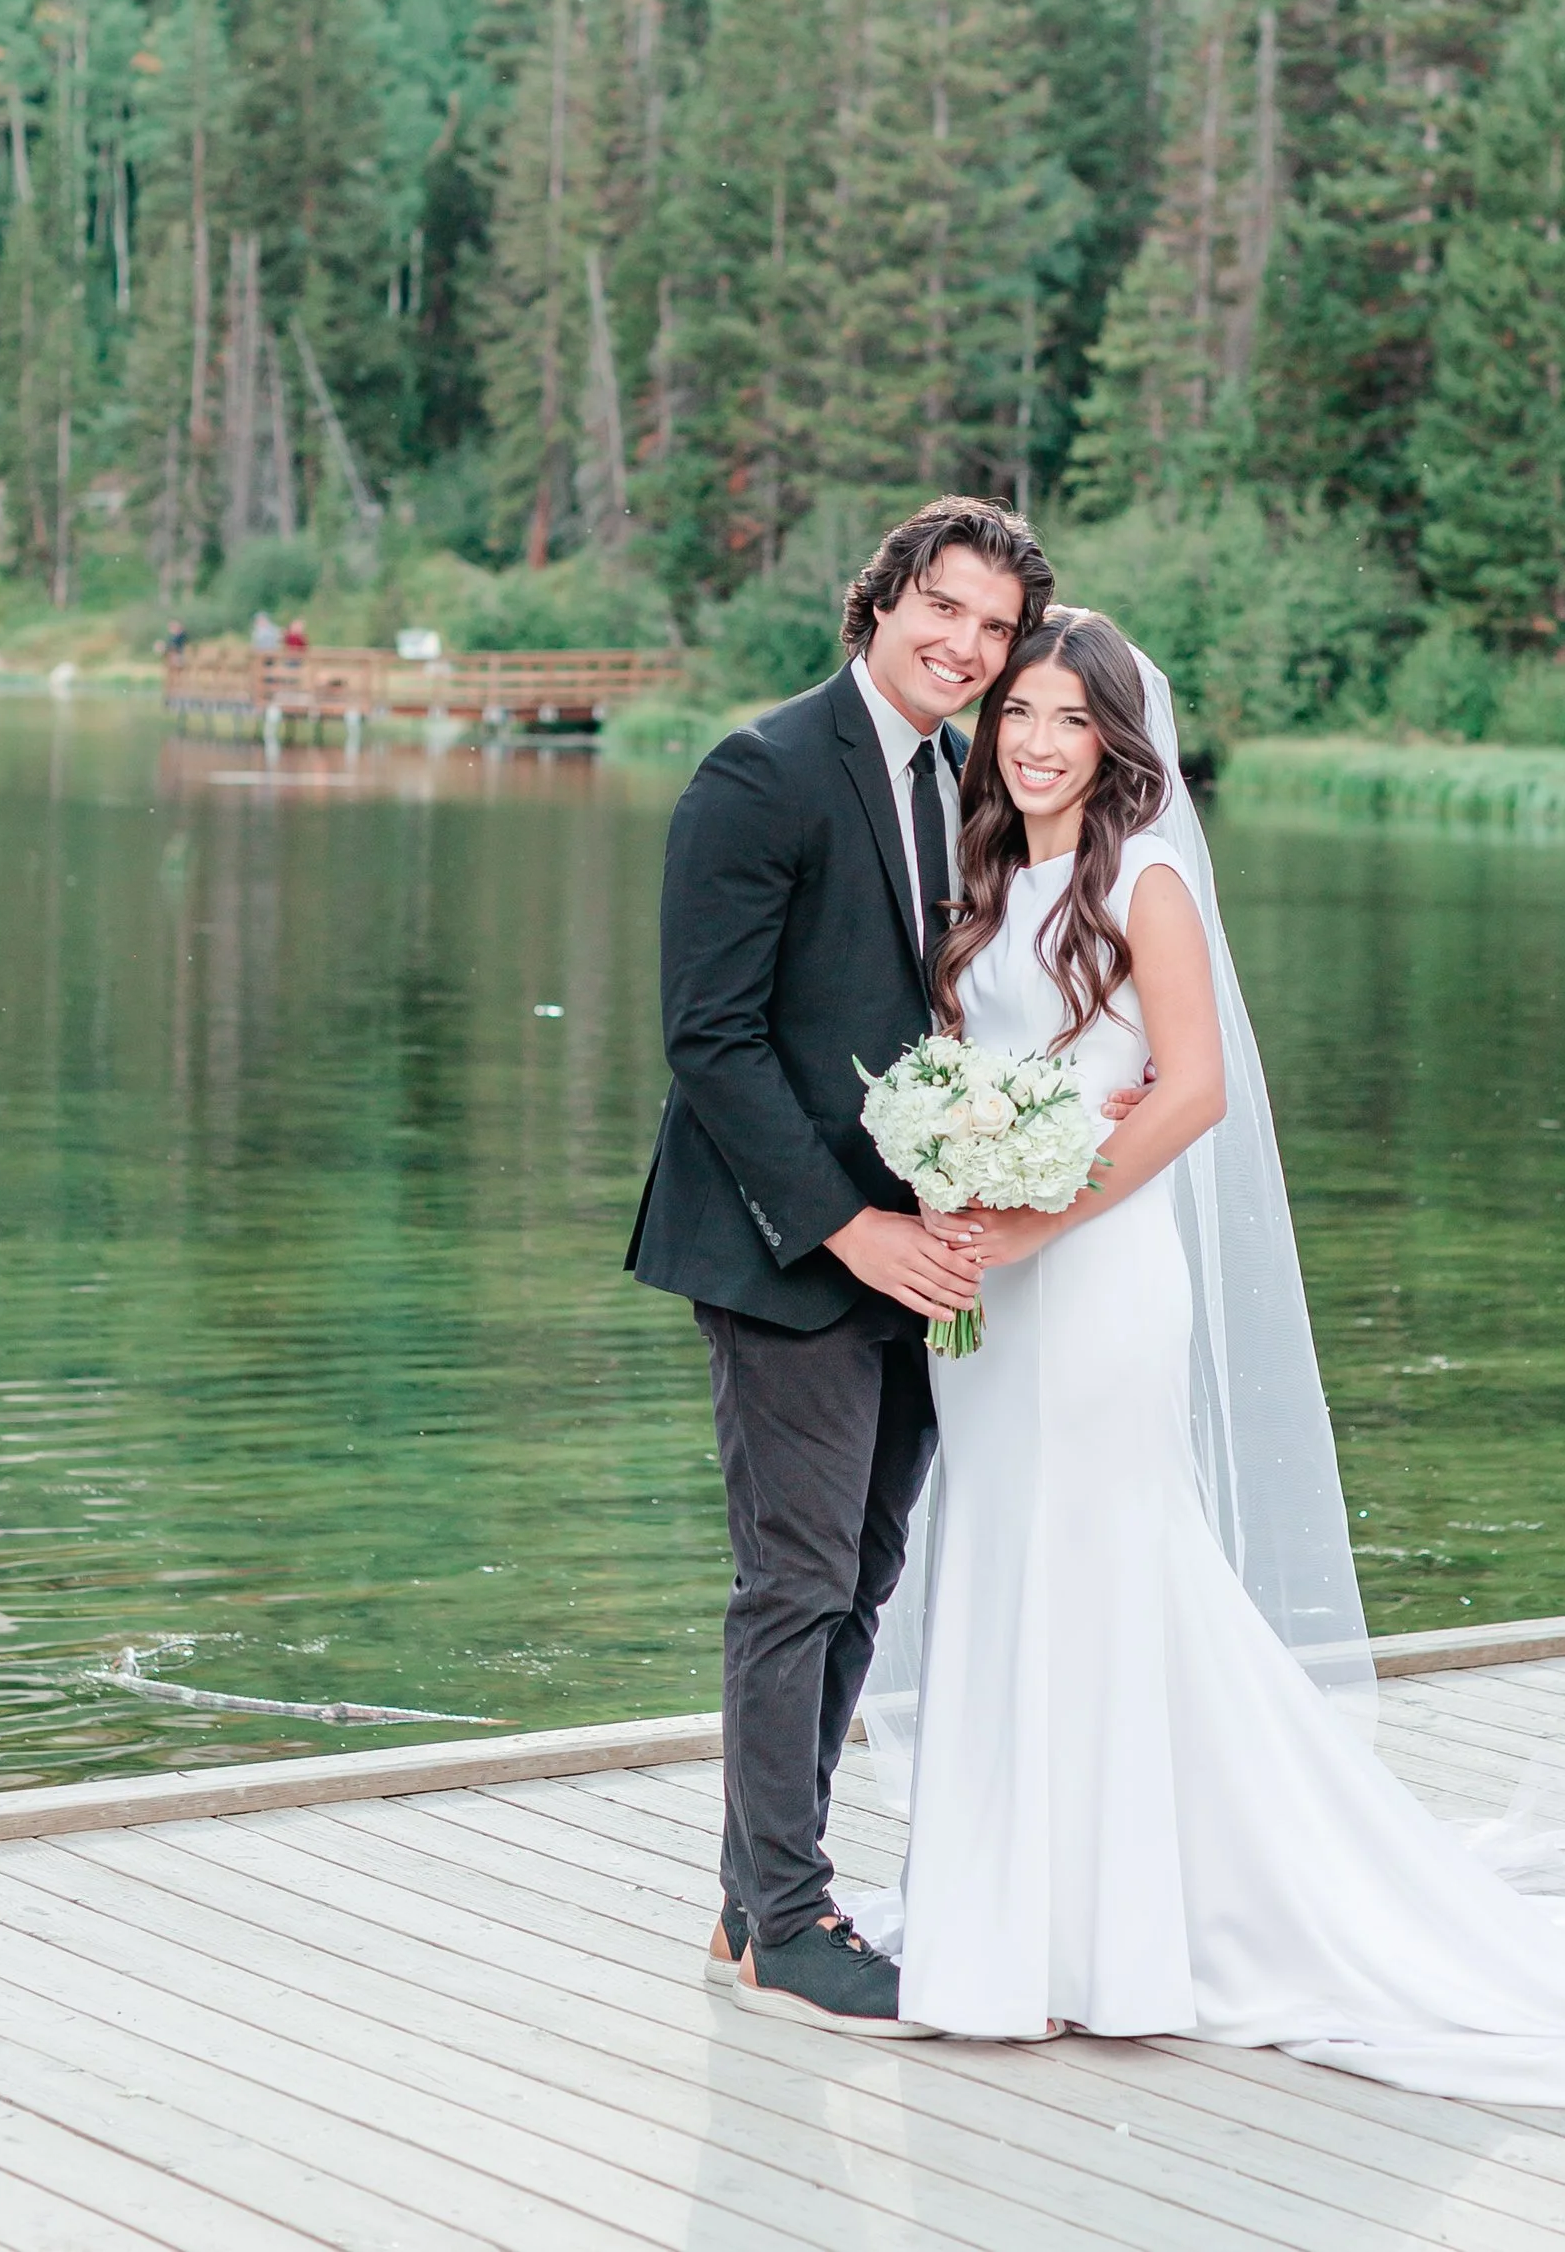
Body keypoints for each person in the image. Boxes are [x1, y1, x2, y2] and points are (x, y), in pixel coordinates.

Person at [854, 606, 1565, 2118]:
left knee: (1106, 1559)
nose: (1037, 740)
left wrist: (1042, 1213)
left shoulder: (1145, 880)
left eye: (1069, 717)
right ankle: (1009, 1914)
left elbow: (1193, 1094)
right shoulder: (982, 881)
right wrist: (950, 1179)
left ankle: (1112, 1939)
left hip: (1097, 1279)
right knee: (998, 1552)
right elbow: (961, 1071)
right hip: (988, 1293)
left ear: (1119, 743)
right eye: (1020, 712)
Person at [626, 495, 1053, 2033]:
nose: (965, 644)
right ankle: (792, 1913)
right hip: (787, 1248)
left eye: (994, 629)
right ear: (878, 601)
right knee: (794, 1577)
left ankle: (761, 1898)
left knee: (863, 1574)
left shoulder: (970, 778)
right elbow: (712, 1039)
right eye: (944, 607)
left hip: (928, 1254)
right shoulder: (762, 771)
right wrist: (849, 1226)